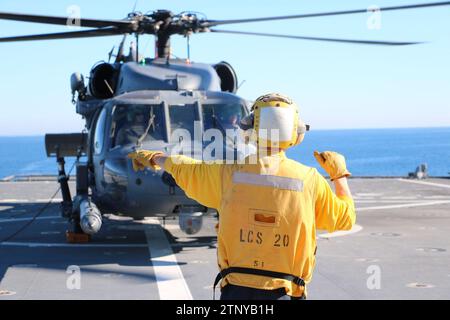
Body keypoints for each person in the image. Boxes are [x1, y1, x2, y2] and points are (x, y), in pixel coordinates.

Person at [128, 93, 356, 300]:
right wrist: (339, 175)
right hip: (285, 292)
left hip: (235, 293)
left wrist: (153, 157)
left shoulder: (228, 175)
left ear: (250, 129)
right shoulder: (310, 180)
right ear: (296, 134)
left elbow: (183, 166)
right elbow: (345, 218)